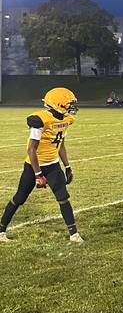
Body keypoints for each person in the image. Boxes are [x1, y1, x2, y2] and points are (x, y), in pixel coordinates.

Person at [0, 88, 83, 243]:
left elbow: (61, 145)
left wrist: (68, 166)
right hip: (33, 166)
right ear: (58, 104)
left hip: (53, 165)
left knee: (63, 197)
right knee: (19, 198)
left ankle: (74, 235)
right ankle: (1, 231)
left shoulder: (66, 119)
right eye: (69, 104)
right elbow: (31, 149)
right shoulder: (40, 120)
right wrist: (38, 174)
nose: (72, 107)